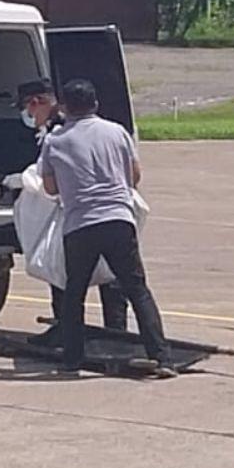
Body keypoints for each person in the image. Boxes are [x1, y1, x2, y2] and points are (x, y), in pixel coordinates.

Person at [39, 79, 175, 378]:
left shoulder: (56, 140)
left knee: (74, 292)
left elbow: (49, 188)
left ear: (64, 107)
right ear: (96, 105)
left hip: (81, 224)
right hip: (118, 220)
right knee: (137, 289)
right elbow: (134, 176)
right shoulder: (117, 132)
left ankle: (73, 359)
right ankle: (162, 356)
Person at [16, 78, 128, 341]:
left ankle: (91, 333)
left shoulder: (60, 130)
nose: (29, 117)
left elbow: (53, 181)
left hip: (81, 211)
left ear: (36, 103)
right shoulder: (59, 126)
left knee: (74, 276)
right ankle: (89, 329)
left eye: (28, 109)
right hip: (105, 209)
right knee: (81, 272)